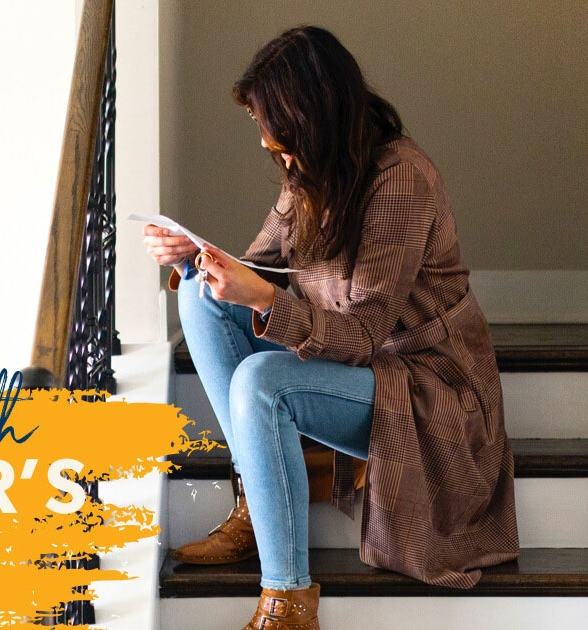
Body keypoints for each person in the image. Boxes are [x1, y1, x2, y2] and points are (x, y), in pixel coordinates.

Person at [142, 25, 518, 629]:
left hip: (421, 383)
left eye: (282, 137)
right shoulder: (311, 172)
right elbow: (258, 265)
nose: (273, 147)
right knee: (199, 296)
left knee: (265, 381)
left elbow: (365, 337)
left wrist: (264, 296)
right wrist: (198, 257)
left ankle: (289, 601)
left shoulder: (401, 178)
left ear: (316, 118)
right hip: (363, 369)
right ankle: (258, 505)